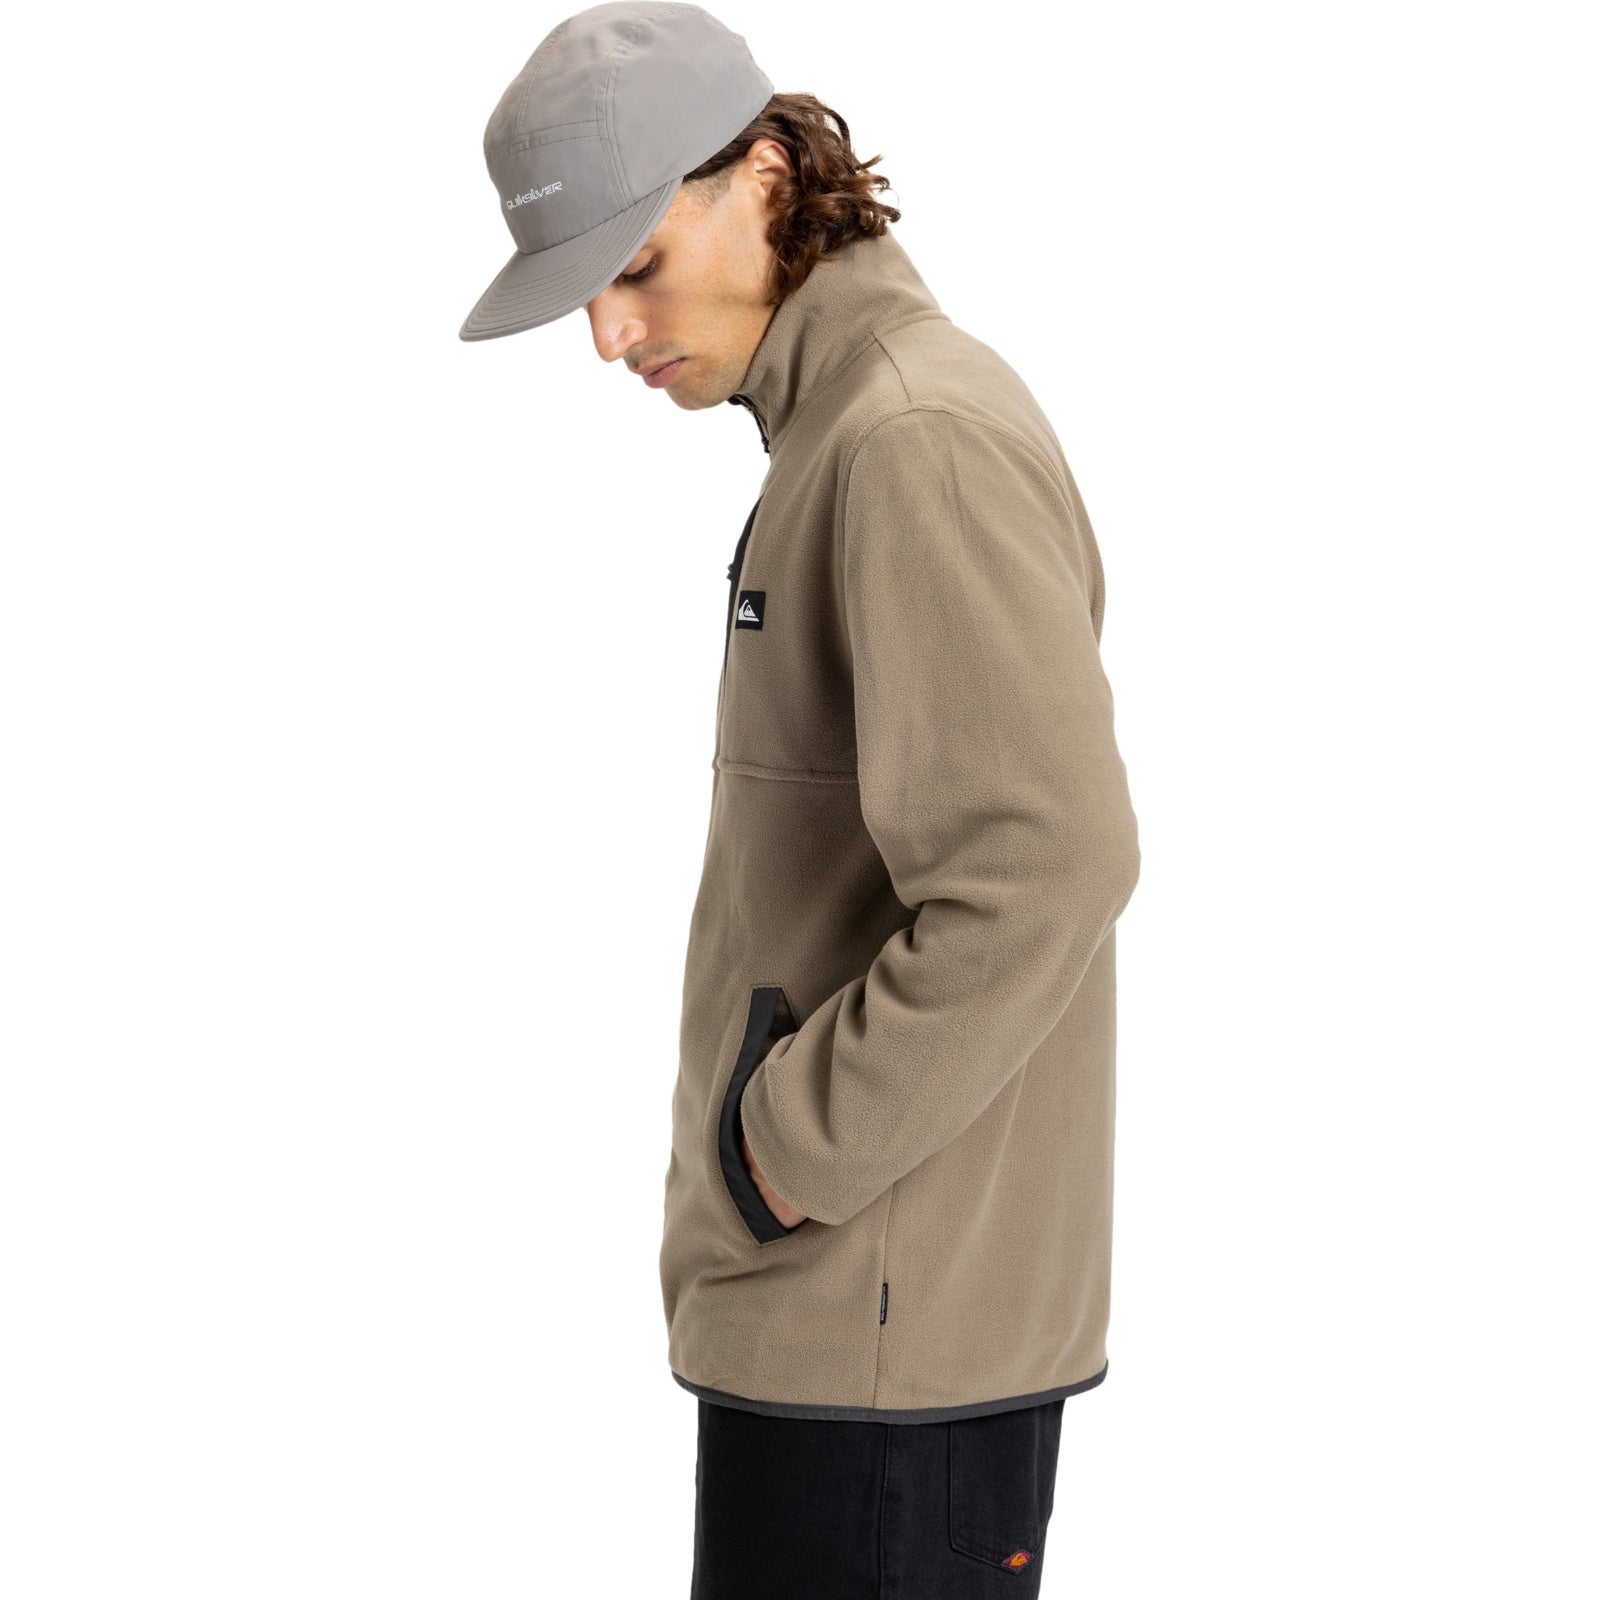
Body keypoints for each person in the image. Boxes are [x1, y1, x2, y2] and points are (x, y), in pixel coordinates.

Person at [459, 6, 1141, 1594]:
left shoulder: (910, 440)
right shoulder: (845, 433)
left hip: (886, 1346)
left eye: (635, 267)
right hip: (854, 1327)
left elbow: (1049, 864)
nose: (608, 336)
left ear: (765, 176)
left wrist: (783, 1153)